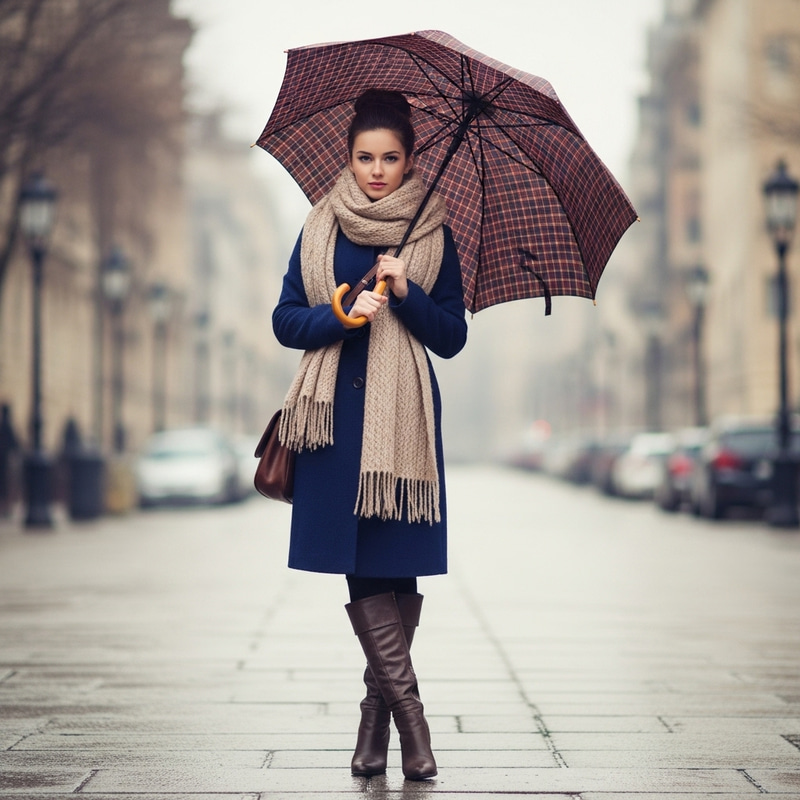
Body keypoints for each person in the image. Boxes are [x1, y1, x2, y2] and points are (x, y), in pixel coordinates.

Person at [272, 88, 468, 781]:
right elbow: (285, 320)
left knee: (397, 568)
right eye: (365, 158)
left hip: (402, 430)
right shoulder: (320, 228)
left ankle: (378, 725)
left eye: (389, 158)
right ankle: (413, 729)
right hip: (337, 429)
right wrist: (342, 314)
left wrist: (408, 293)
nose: (377, 170)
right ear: (348, 159)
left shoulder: (433, 235)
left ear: (410, 160)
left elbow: (452, 338)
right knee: (364, 571)